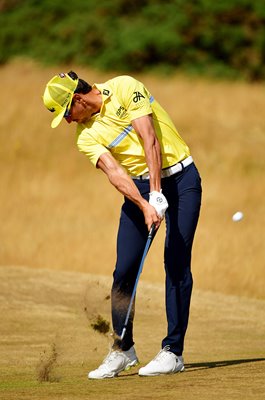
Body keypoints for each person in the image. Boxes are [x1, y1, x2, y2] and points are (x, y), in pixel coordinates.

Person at [43, 71, 202, 379]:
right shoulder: (85, 135)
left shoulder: (124, 87)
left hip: (182, 179)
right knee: (125, 269)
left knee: (176, 262)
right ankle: (123, 349)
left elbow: (149, 138)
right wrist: (145, 203)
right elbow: (115, 172)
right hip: (139, 189)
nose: (68, 121)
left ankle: (173, 351)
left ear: (77, 100)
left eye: (66, 114)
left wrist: (157, 193)